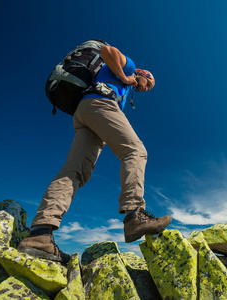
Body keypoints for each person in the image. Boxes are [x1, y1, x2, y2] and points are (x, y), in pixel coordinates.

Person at [17, 43, 172, 263]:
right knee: (135, 151)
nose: (147, 88)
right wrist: (127, 78)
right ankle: (134, 214)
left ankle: (39, 235)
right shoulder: (130, 67)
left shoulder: (124, 89)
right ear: (142, 73)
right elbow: (107, 51)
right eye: (150, 82)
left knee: (74, 171)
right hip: (101, 103)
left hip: (84, 112)